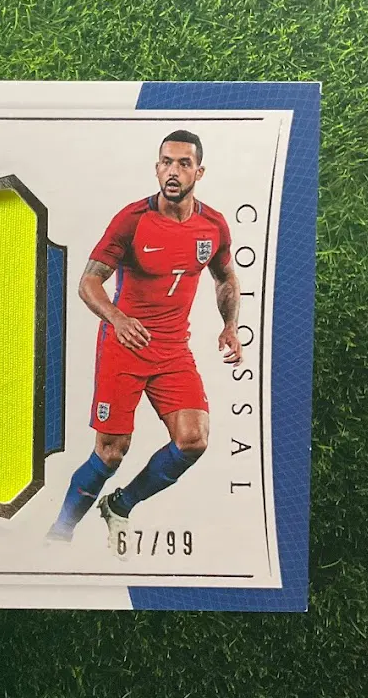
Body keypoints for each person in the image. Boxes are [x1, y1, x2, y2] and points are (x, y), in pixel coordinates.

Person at [48, 130, 242, 551]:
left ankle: (120, 505)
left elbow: (225, 276)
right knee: (111, 452)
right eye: (166, 162)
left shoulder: (213, 225)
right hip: (125, 347)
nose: (173, 171)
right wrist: (117, 318)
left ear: (199, 172)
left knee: (194, 440)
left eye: (184, 163)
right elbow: (88, 282)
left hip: (173, 350)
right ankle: (59, 533)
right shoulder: (132, 220)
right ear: (157, 168)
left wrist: (229, 325)